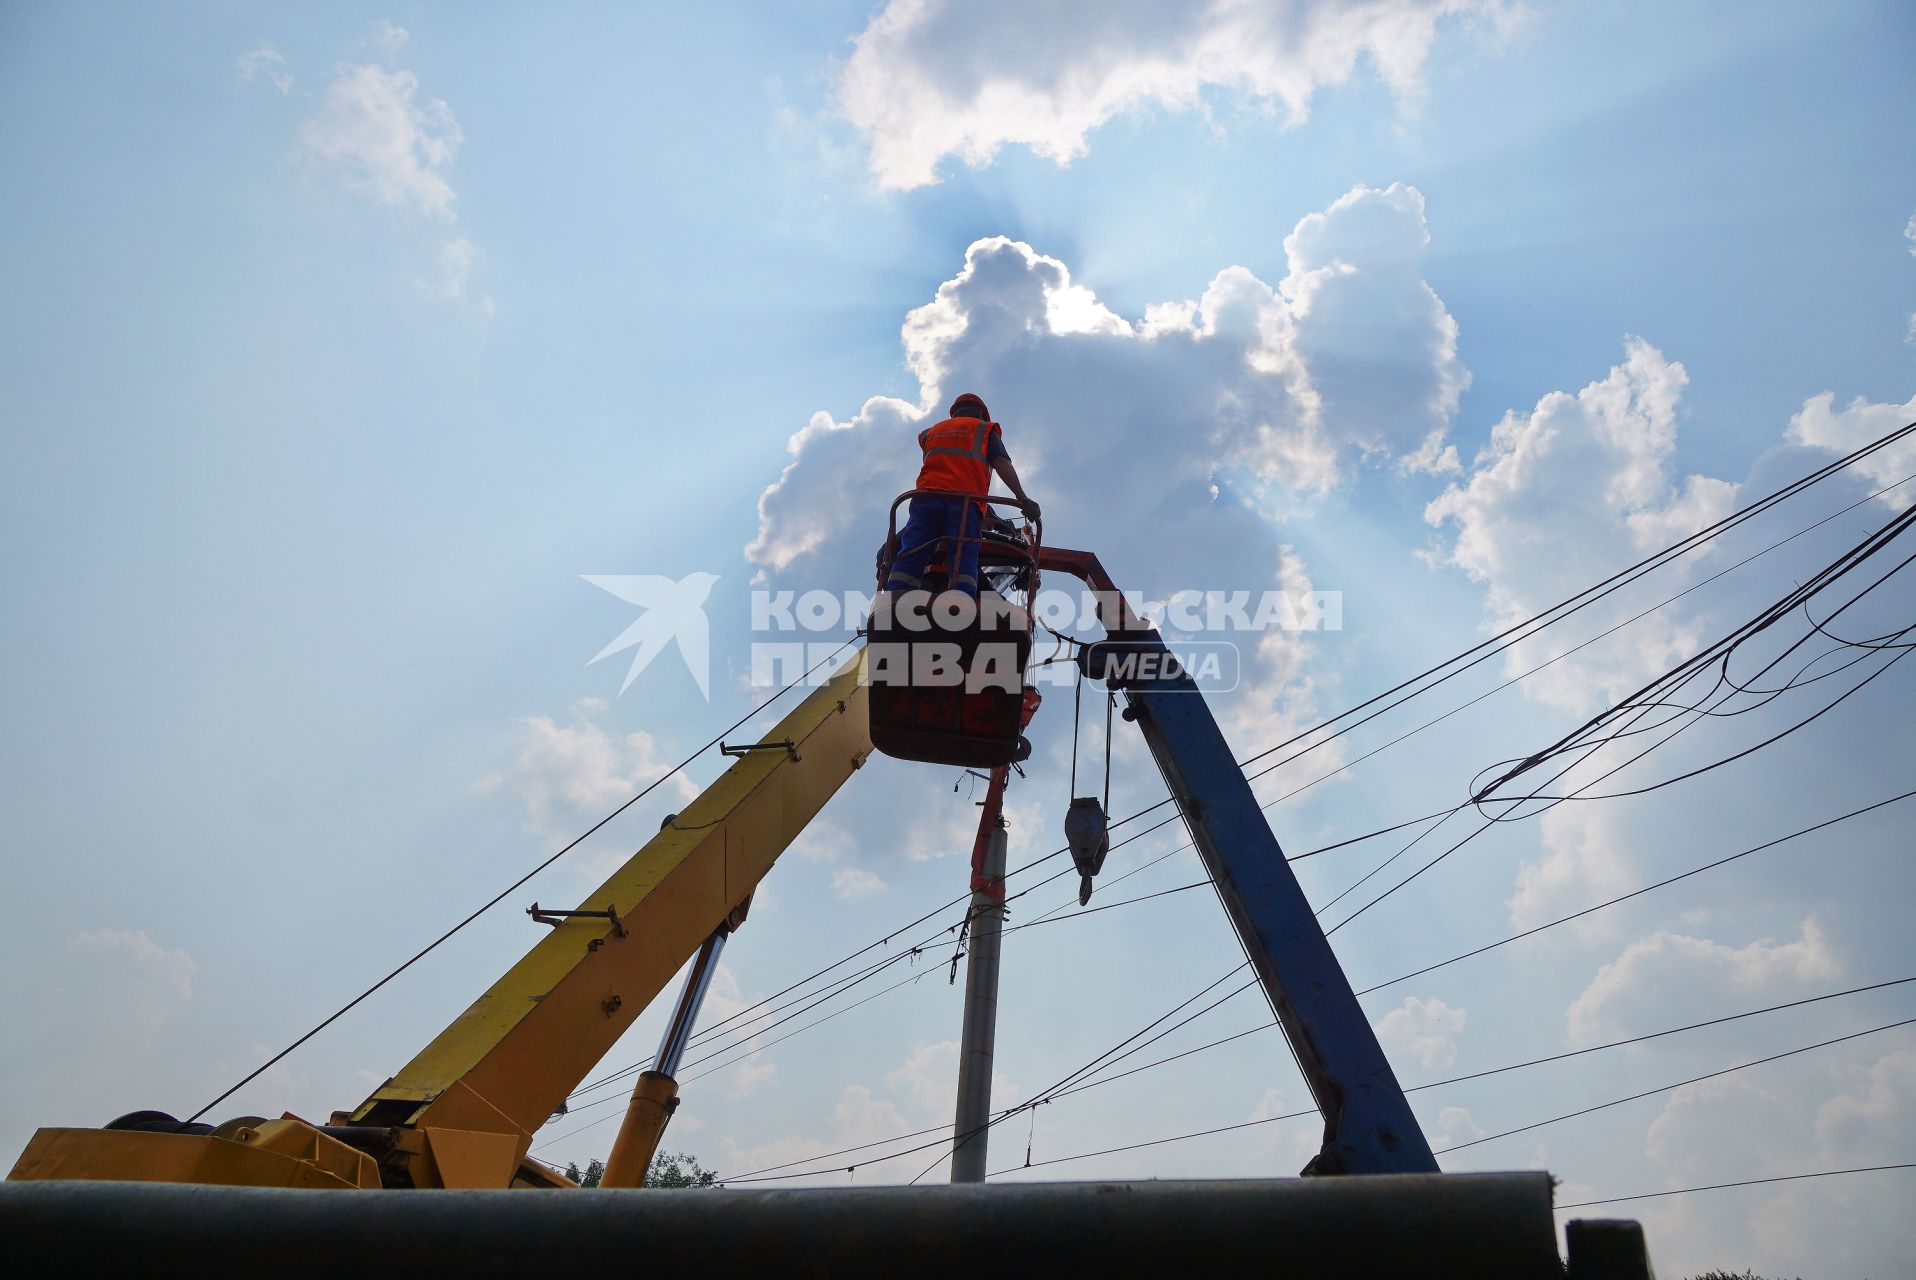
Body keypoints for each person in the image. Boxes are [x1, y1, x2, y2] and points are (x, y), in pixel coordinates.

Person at [883, 393, 1038, 596]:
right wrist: (1022, 498)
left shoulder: (931, 432)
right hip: (963, 503)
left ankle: (896, 596)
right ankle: (961, 600)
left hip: (925, 500)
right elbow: (1001, 462)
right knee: (963, 553)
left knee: (914, 548)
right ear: (981, 414)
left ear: (954, 413)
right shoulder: (983, 429)